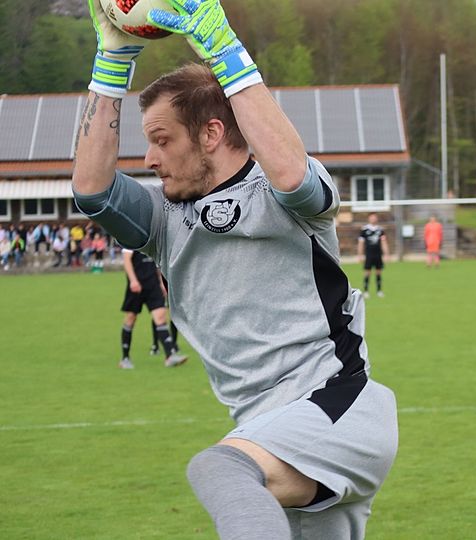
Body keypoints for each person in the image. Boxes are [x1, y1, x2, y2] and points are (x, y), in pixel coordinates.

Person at [72, 1, 398, 537]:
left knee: (219, 468)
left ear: (211, 133)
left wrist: (224, 49)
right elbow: (92, 190)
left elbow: (292, 175)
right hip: (265, 425)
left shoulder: (281, 194)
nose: (149, 159)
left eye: (161, 140)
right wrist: (112, 62)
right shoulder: (163, 219)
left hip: (336, 405)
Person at [118, 248, 187, 369]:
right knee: (130, 319)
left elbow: (157, 263)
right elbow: (127, 260)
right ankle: (125, 358)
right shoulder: (132, 240)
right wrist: (133, 280)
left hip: (153, 285)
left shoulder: (151, 240)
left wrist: (161, 283)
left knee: (161, 317)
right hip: (137, 285)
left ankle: (170, 356)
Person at [358, 213, 389, 297]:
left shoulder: (380, 230)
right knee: (367, 273)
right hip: (369, 255)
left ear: (377, 219)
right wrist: (360, 255)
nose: (373, 219)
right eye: (372, 217)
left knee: (378, 273)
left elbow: (384, 242)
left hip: (378, 254)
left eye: (374, 217)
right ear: (369, 219)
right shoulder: (364, 230)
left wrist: (386, 254)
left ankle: (379, 291)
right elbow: (361, 243)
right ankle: (366, 291)